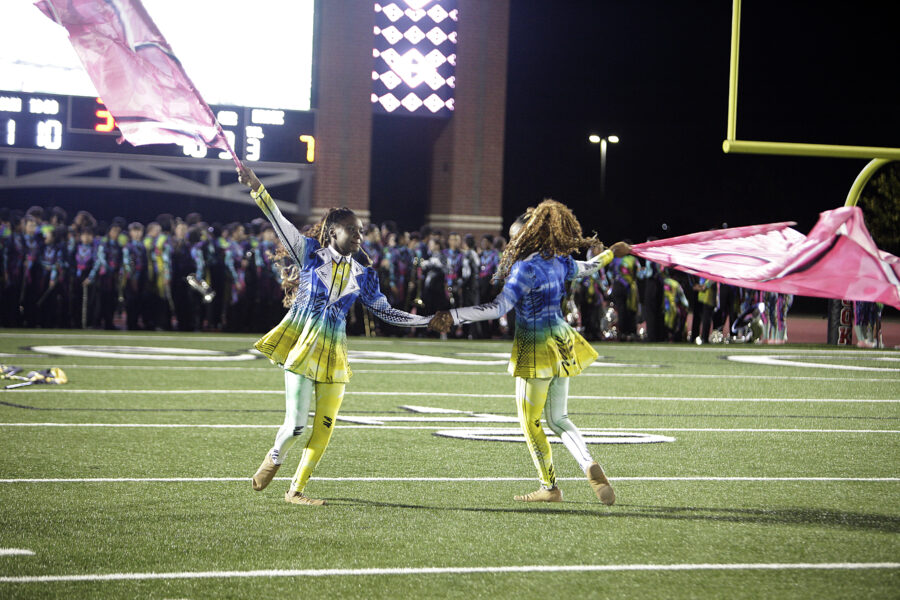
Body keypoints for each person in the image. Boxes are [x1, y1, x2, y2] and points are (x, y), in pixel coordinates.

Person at [238, 166, 435, 506]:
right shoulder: (309, 253)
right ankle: (274, 457)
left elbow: (385, 311)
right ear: (332, 232)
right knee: (297, 426)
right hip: (301, 348)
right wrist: (257, 188)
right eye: (353, 230)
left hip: (334, 355)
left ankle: (296, 490)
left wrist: (426, 320)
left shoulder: (363, 273)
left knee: (325, 427)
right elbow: (277, 219)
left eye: (361, 232)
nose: (360, 236)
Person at [430, 200, 630, 505]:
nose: (513, 242)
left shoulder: (525, 268)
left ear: (529, 236)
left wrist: (455, 315)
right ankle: (588, 463)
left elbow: (499, 307)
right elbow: (587, 269)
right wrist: (611, 254)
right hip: (562, 343)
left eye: (516, 236)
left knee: (530, 422)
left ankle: (549, 487)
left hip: (534, 349)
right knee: (559, 418)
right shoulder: (559, 261)